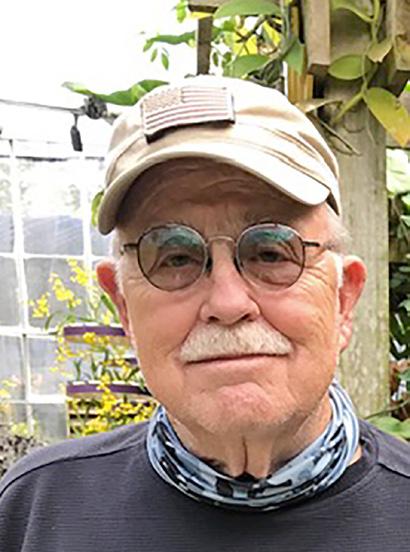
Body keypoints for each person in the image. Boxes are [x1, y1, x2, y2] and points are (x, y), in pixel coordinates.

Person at [1, 75, 409, 552]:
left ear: (343, 300)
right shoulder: (37, 513)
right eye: (175, 258)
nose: (228, 304)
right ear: (124, 307)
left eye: (271, 252)